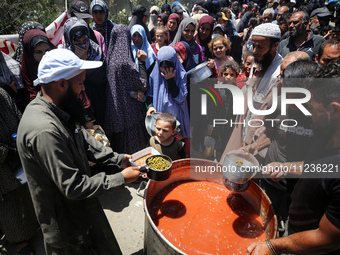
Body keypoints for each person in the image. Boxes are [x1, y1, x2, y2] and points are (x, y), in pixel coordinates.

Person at [17, 48, 142, 254]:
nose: (83, 89)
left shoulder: (59, 106)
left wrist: (117, 160)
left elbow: (82, 138)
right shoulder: (44, 130)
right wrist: (121, 178)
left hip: (83, 210)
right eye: (80, 83)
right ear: (62, 84)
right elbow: (72, 186)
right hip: (66, 226)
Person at [247, 59, 340, 255]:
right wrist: (283, 165)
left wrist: (273, 246)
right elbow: (317, 167)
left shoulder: (327, 137)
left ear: (333, 110)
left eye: (310, 108)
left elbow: (326, 238)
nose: (307, 115)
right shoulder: (326, 135)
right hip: (291, 218)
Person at [221, 23, 282, 157]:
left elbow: (264, 110)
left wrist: (249, 139)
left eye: (260, 47)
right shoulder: (258, 60)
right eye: (253, 46)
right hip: (242, 122)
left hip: (257, 133)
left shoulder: (278, 73)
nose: (254, 51)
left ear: (275, 46)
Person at [0, 88, 39, 255]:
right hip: (2, 166)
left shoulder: (2, 93)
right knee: (11, 206)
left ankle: (36, 225)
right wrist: (7, 152)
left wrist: (25, 137)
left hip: (19, 151)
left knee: (28, 192)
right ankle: (20, 242)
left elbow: (18, 115)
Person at [105, 24, 149, 154]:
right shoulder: (125, 62)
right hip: (130, 116)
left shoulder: (110, 60)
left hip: (116, 115)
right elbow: (143, 85)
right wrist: (141, 62)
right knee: (135, 154)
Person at [62, 17, 107, 127]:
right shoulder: (63, 56)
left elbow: (101, 78)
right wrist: (79, 63)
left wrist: (85, 62)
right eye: (77, 42)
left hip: (97, 101)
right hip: (76, 104)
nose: (82, 46)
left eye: (84, 41)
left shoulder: (96, 52)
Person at [146, 46, 190, 155]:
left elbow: (181, 97)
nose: (165, 69)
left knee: (174, 144)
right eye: (162, 66)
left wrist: (170, 80)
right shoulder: (154, 74)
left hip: (176, 116)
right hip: (160, 116)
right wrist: (150, 106)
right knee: (161, 142)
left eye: (169, 66)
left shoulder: (181, 74)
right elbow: (149, 93)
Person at [20, 29, 55, 102]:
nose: (44, 55)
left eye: (47, 50)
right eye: (38, 52)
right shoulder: (25, 71)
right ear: (30, 54)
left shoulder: (57, 63)